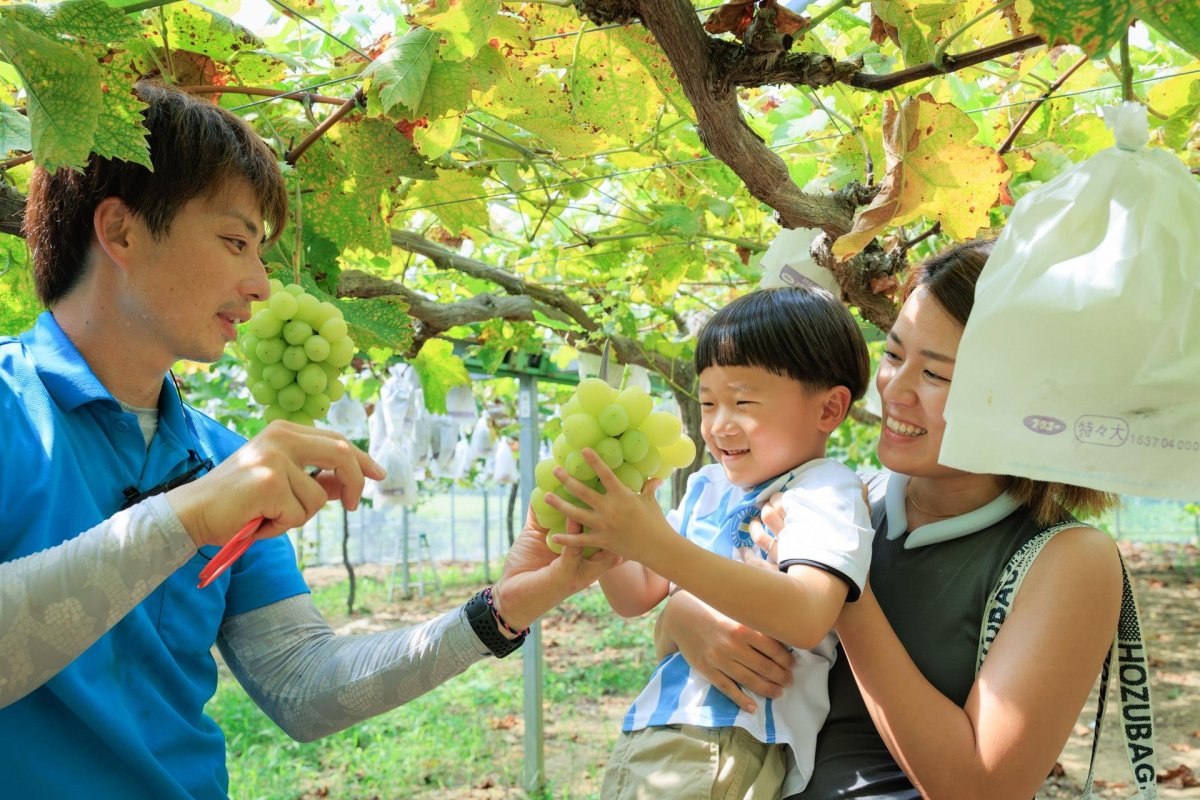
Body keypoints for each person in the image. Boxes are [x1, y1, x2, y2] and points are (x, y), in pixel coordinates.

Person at [0, 81, 616, 799]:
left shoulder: (222, 457)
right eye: (236, 242)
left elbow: (300, 683)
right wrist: (188, 517)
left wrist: (497, 613)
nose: (261, 285)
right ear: (122, 231)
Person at [656, 239, 1124, 799]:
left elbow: (981, 789)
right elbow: (718, 642)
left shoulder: (1068, 558)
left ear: (1029, 399)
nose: (894, 392)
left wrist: (846, 594)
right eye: (895, 355)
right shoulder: (841, 500)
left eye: (937, 376)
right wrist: (682, 619)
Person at [547, 285, 875, 799]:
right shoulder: (707, 488)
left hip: (730, 732)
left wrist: (654, 544)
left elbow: (809, 614)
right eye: (707, 403)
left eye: (743, 402)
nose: (719, 424)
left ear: (830, 410)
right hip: (664, 721)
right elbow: (636, 595)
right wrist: (599, 534)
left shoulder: (824, 490)